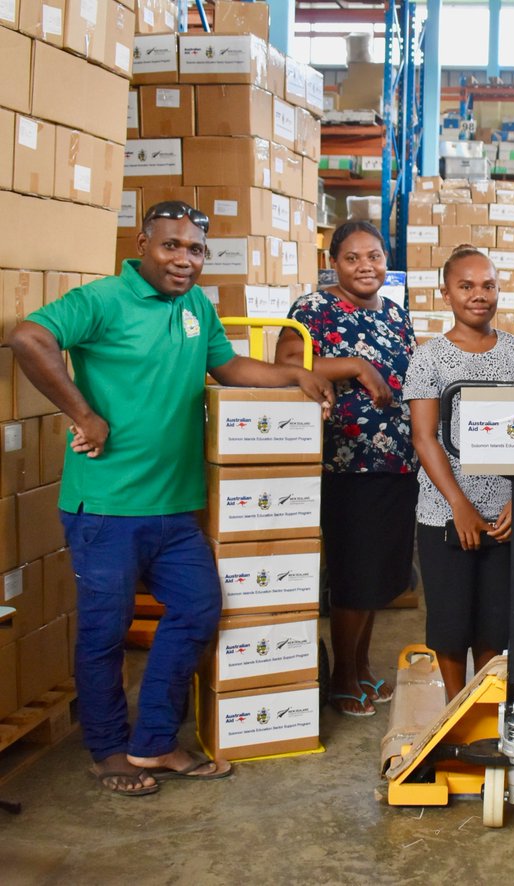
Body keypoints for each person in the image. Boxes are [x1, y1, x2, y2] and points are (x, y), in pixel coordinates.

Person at [8, 201, 334, 796]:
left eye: (195, 250)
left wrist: (295, 377)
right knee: (105, 632)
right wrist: (84, 414)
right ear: (142, 244)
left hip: (176, 508)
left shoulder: (193, 308)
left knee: (198, 610)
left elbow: (230, 367)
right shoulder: (103, 300)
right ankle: (107, 749)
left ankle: (154, 740)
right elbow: (27, 337)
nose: (184, 260)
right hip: (105, 507)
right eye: (171, 246)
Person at [276, 220, 417, 718]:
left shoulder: (397, 314)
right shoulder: (314, 309)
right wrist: (357, 365)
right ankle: (341, 678)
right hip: (347, 459)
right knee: (354, 572)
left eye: (374, 256)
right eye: (353, 258)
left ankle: (359, 668)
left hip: (400, 458)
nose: (365, 267)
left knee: (377, 575)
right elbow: (290, 366)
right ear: (334, 262)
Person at [404, 246, 514, 700]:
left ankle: (487, 701)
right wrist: (460, 506)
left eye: (489, 285)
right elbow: (425, 438)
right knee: (451, 620)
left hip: (506, 513)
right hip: (445, 512)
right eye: (466, 285)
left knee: (496, 619)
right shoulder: (428, 358)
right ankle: (455, 711)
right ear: (446, 293)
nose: (479, 295)